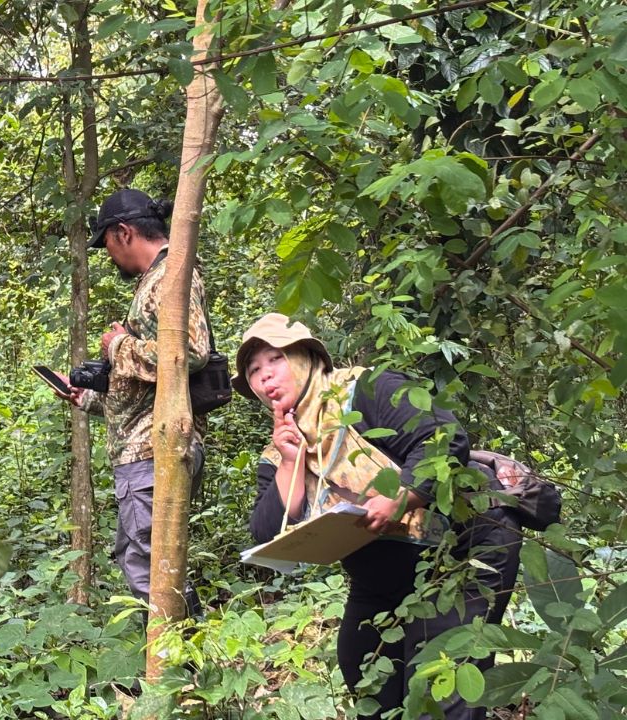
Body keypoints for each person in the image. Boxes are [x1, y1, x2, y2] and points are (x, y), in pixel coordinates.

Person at [235, 313, 522, 720]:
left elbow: (444, 438)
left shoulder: (363, 390)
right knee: (363, 670)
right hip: (380, 575)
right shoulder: (279, 449)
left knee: (437, 687)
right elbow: (266, 537)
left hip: (462, 548)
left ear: (305, 357)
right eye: (253, 371)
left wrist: (402, 497)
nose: (265, 377)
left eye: (275, 359)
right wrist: (289, 463)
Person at [54, 188, 211, 604]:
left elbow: (190, 354)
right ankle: (172, 659)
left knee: (151, 565)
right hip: (141, 448)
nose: (108, 256)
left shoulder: (171, 276)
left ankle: (177, 665)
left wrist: (117, 346)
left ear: (124, 232)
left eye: (106, 243)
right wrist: (87, 397)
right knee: (141, 558)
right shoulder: (156, 280)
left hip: (154, 450)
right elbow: (147, 388)